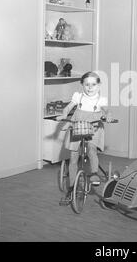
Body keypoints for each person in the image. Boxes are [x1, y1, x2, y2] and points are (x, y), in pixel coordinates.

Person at [57, 71, 112, 202]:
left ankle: (94, 173)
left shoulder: (100, 100)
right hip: (77, 125)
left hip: (94, 127)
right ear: (82, 85)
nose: (90, 87)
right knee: (73, 156)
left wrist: (108, 115)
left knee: (92, 148)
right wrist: (64, 114)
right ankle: (71, 188)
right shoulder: (78, 97)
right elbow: (68, 107)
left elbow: (107, 110)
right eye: (87, 84)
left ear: (99, 86)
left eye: (93, 84)